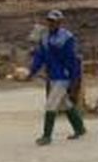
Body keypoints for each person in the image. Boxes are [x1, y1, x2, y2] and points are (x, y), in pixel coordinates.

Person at [25, 9, 86, 145]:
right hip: (52, 76)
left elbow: (72, 59)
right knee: (65, 104)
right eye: (49, 21)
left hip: (63, 76)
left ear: (60, 22)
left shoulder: (67, 38)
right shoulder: (45, 37)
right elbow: (40, 57)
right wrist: (32, 72)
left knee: (51, 104)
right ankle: (80, 128)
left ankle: (47, 136)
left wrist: (74, 79)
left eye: (54, 21)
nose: (51, 24)